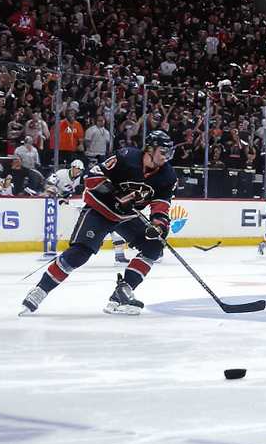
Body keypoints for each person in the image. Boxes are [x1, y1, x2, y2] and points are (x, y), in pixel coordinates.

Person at [19, 130, 179, 316]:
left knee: (154, 247)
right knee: (80, 253)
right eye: (163, 151)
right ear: (149, 150)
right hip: (100, 209)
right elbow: (92, 177)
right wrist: (115, 195)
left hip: (127, 215)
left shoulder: (168, 176)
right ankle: (40, 291)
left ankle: (122, 292)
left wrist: (159, 226)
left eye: (169, 152)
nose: (166, 157)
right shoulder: (126, 157)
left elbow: (161, 203)